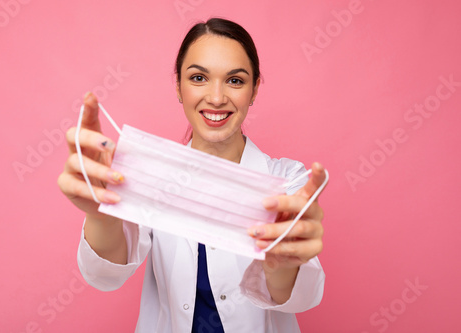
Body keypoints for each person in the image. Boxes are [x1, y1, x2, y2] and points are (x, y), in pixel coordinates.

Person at [58, 18, 327, 333]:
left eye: (235, 81)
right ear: (178, 87)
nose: (215, 98)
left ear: (254, 90)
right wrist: (101, 213)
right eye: (198, 77)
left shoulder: (287, 181)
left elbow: (298, 296)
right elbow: (106, 275)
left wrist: (281, 265)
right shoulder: (148, 173)